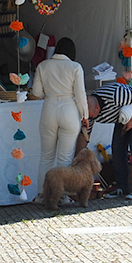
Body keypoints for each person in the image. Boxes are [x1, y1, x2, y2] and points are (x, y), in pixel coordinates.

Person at [31, 37, 88, 203]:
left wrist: (49, 94)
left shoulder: (43, 66)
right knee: (65, 158)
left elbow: (36, 92)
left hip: (49, 109)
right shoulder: (75, 67)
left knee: (46, 157)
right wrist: (85, 115)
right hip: (69, 111)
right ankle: (62, 196)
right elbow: (80, 95)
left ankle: (42, 195)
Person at [83, 82, 132, 200]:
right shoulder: (89, 111)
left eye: (91, 116)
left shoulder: (115, 95)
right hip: (124, 113)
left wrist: (131, 119)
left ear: (97, 108)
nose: (90, 119)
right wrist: (81, 154)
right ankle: (122, 187)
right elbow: (86, 135)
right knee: (117, 148)